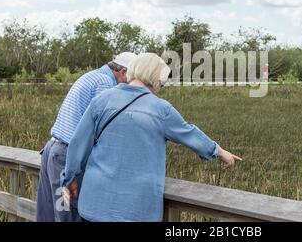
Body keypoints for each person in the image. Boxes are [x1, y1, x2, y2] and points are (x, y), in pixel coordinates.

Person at [60, 53, 242, 222]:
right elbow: (189, 133)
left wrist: (69, 179)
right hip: (136, 210)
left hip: (95, 204)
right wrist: (218, 151)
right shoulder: (161, 109)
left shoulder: (103, 99)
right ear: (157, 78)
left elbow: (78, 144)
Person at [36, 52, 138, 222]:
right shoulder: (105, 84)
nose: (131, 84)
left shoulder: (92, 76)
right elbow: (104, 128)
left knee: (48, 214)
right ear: (123, 72)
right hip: (66, 156)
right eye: (131, 78)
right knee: (68, 214)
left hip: (52, 150)